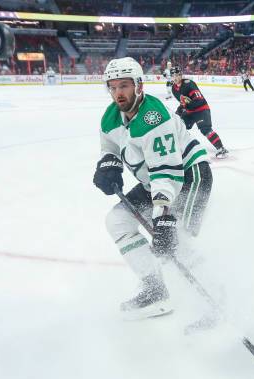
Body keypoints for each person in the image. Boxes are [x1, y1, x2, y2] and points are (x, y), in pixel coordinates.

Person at [93, 57, 213, 319]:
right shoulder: (111, 116)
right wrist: (108, 162)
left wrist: (164, 217)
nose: (118, 93)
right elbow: (109, 146)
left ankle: (218, 298)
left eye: (124, 86)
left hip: (190, 175)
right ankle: (154, 289)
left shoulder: (154, 117)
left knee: (177, 238)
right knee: (117, 221)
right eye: (112, 87)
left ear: (139, 86)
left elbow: (167, 172)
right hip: (155, 180)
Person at [170, 66, 229, 159]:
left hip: (201, 109)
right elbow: (183, 103)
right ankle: (181, 149)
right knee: (179, 127)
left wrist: (186, 107)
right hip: (190, 111)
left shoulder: (189, 84)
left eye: (177, 75)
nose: (175, 77)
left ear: (181, 75)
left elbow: (199, 100)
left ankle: (221, 148)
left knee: (205, 129)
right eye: (173, 75)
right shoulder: (174, 89)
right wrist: (179, 111)